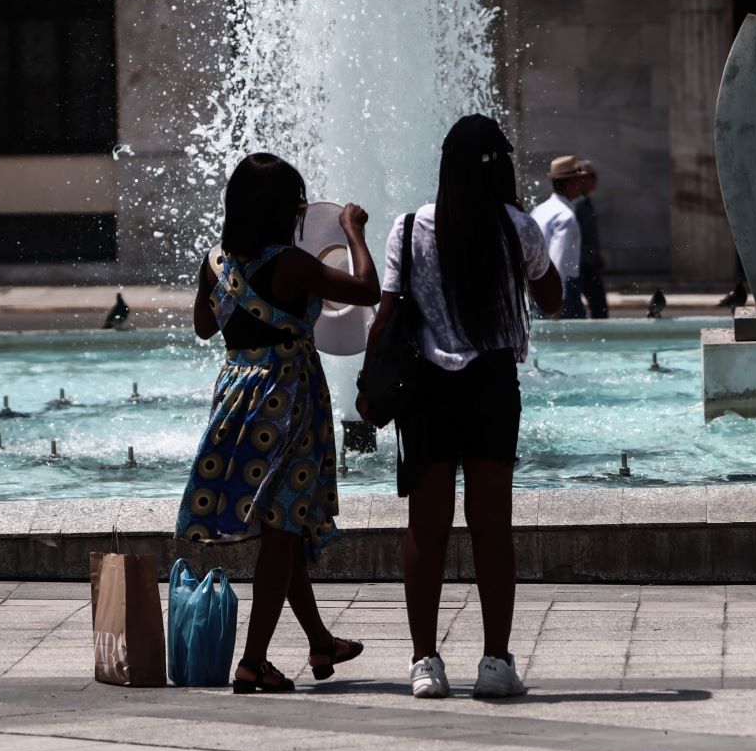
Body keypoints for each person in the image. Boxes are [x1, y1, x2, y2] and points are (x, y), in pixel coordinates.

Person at [363, 115, 563, 700]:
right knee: (492, 528)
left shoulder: (407, 228)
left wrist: (367, 388)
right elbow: (551, 301)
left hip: (426, 390)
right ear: (498, 166)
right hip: (492, 387)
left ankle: (425, 661)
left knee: (426, 530)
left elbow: (386, 317)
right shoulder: (518, 228)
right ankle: (496, 662)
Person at [177, 152, 380, 694]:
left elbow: (203, 327)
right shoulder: (289, 264)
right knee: (282, 531)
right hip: (289, 403)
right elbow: (367, 291)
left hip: (238, 403)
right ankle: (253, 662)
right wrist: (354, 232)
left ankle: (319, 641)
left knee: (281, 531)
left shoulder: (215, 261)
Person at [529, 156, 585, 317]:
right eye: (578, 180)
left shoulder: (540, 209)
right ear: (570, 183)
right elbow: (558, 259)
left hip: (537, 284)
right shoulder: (566, 216)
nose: (580, 185)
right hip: (562, 288)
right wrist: (556, 300)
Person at [569, 161, 609, 319]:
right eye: (590, 176)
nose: (594, 180)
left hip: (589, 261)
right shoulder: (577, 204)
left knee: (599, 306)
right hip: (582, 263)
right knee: (597, 305)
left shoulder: (585, 202)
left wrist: (597, 254)